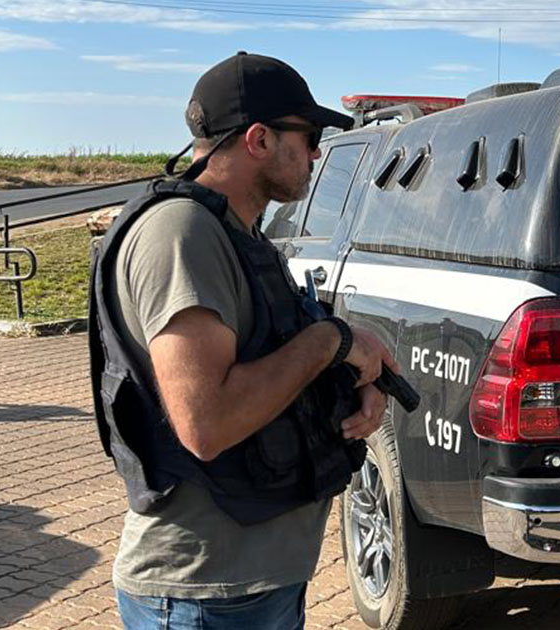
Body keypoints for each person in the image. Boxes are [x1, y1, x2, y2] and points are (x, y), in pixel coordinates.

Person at [89, 52, 398, 629]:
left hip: (254, 583)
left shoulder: (235, 232)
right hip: (206, 595)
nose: (314, 152)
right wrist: (331, 341)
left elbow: (266, 364)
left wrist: (351, 390)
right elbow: (207, 423)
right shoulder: (181, 234)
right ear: (258, 139)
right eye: (306, 136)